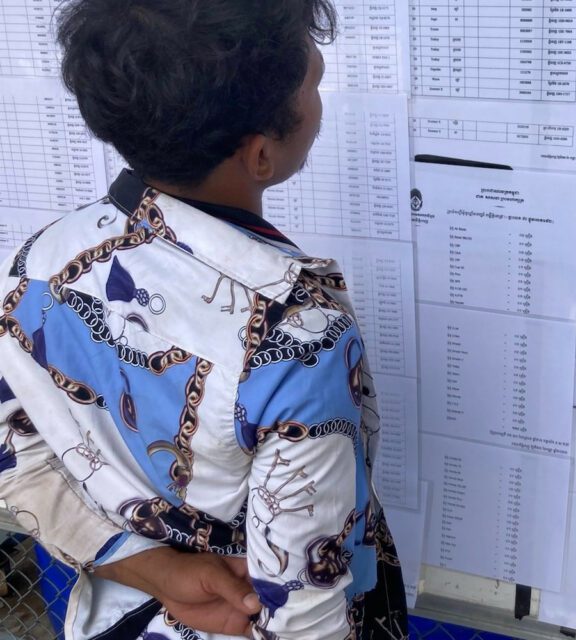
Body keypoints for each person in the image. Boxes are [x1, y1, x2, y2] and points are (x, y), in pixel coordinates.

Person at [0, 0, 409, 637]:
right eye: (314, 82)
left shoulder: (37, 266)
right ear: (261, 156)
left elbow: (16, 451)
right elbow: (306, 612)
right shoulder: (296, 334)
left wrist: (151, 567)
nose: (320, 84)